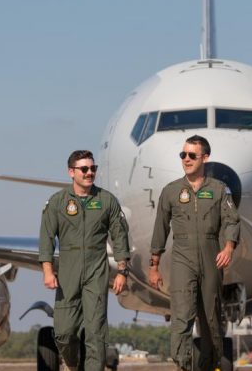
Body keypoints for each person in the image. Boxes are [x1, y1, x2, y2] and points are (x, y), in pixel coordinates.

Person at [149, 135, 240, 371]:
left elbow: (231, 221)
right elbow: (160, 228)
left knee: (211, 317)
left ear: (205, 158)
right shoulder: (171, 191)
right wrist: (154, 265)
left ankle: (209, 364)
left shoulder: (220, 190)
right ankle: (183, 364)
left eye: (192, 155)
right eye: (183, 155)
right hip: (182, 257)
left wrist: (228, 246)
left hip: (212, 256)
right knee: (182, 314)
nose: (186, 159)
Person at [39, 150, 131, 371]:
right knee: (64, 332)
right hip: (68, 271)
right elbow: (46, 237)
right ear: (71, 172)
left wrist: (122, 271)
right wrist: (47, 270)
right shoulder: (57, 202)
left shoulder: (106, 200)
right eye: (84, 169)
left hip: (96, 270)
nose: (90, 173)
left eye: (93, 168)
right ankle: (72, 363)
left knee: (96, 332)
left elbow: (119, 236)